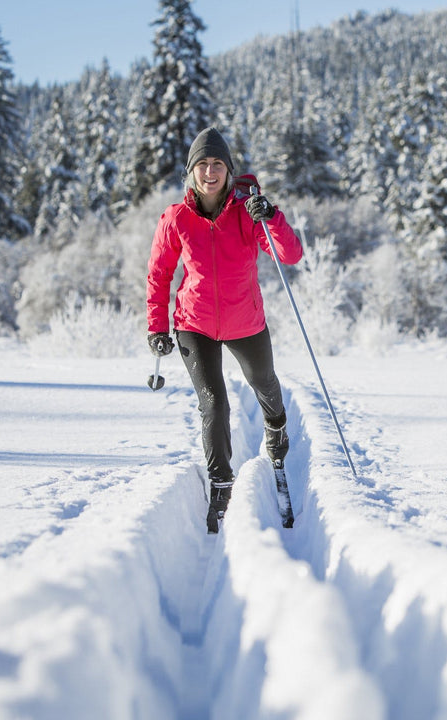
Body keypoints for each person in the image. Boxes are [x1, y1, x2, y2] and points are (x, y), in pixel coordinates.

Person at [146, 126, 303, 533]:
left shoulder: (249, 213)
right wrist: (156, 327)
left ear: (229, 171)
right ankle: (220, 480)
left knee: (264, 383)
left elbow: (291, 255)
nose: (210, 172)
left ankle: (276, 433)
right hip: (193, 323)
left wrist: (272, 217)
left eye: (218, 164)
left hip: (244, 320)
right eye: (203, 165)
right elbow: (159, 274)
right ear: (191, 172)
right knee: (213, 403)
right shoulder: (176, 218)